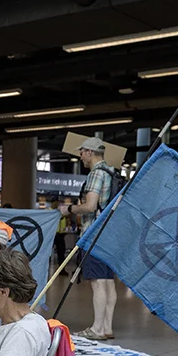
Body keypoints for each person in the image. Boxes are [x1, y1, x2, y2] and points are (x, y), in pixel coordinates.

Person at [59, 137, 118, 340]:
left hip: (94, 234)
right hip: (110, 234)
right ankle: (107, 327)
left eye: (82, 152)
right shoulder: (111, 172)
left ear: (90, 152)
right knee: (108, 281)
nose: (80, 156)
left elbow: (90, 206)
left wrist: (68, 209)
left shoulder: (96, 174)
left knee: (97, 282)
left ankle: (97, 329)